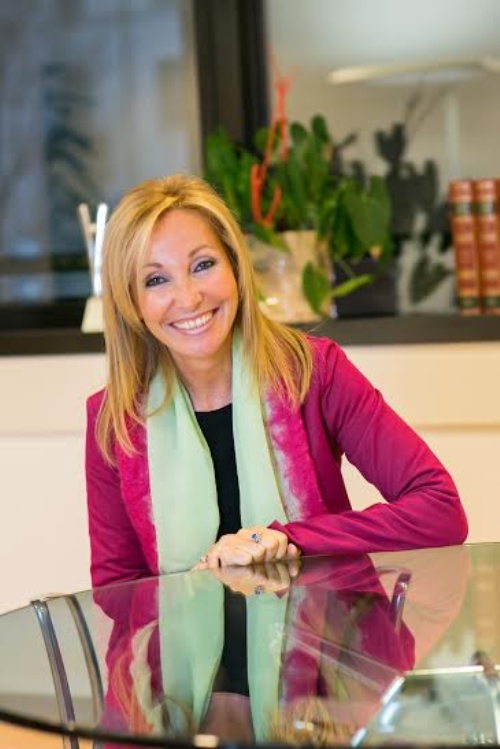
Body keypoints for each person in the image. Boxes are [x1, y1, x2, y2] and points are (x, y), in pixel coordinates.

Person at [85, 173, 468, 589]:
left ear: (235, 267)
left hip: (325, 628)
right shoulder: (114, 419)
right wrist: (189, 594)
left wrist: (288, 540)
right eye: (156, 280)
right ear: (131, 302)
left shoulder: (315, 372)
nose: (190, 297)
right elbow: (116, 587)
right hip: (184, 636)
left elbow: (440, 511)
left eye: (203, 265)